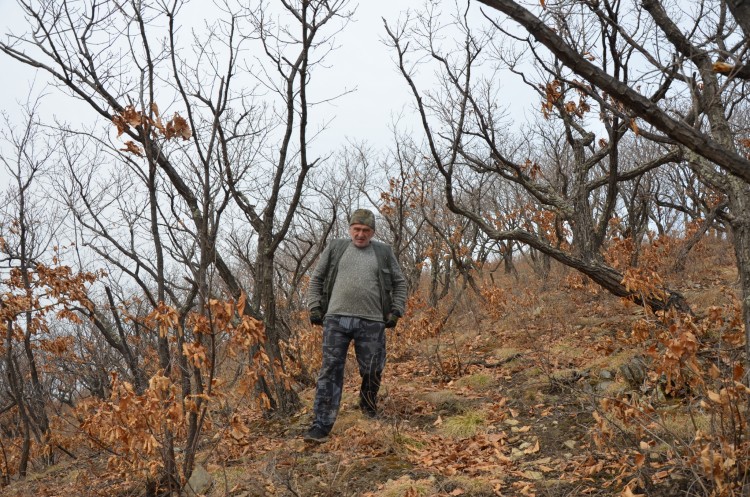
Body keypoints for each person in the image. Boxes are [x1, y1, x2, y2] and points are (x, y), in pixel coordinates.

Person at [303, 208, 407, 443]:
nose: (360, 234)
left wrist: (396, 311)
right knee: (330, 370)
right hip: (336, 319)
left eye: (366, 230)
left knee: (373, 368)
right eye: (357, 229)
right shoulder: (336, 247)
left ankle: (368, 406)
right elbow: (316, 279)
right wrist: (315, 307)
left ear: (372, 232)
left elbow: (400, 283)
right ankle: (321, 425)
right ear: (350, 228)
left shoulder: (383, 252)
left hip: (372, 321)